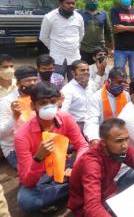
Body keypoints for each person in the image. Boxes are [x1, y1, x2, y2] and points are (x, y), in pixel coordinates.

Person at [14, 82, 89, 212]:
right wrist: (38, 158)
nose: (49, 107)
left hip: (63, 165)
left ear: (58, 102)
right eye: (42, 103)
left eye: (53, 102)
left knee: (91, 162)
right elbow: (27, 181)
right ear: (33, 106)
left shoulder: (65, 118)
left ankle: (65, 186)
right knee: (26, 200)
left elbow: (82, 145)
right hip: (40, 175)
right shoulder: (22, 136)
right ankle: (73, 186)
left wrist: (76, 168)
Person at [39, 0, 84, 81]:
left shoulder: (79, 17)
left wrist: (73, 46)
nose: (71, 5)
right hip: (57, 58)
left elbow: (81, 35)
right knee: (56, 84)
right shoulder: (49, 17)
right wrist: (54, 47)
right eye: (68, 3)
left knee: (75, 84)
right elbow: (43, 37)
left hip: (74, 57)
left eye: (73, 3)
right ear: (60, 4)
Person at [0, 66, 38, 169]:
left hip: (37, 144)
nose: (33, 83)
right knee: (32, 171)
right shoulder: (6, 102)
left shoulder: (38, 97)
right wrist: (15, 117)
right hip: (14, 149)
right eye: (28, 81)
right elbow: (1, 135)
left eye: (35, 80)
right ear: (18, 84)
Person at [84, 67, 130, 144]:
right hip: (103, 138)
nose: (122, 85)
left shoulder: (126, 95)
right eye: (119, 82)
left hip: (123, 136)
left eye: (124, 83)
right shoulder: (97, 97)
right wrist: (94, 139)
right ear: (109, 81)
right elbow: (91, 122)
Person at [61, 60, 105, 129]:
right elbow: (63, 112)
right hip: (77, 125)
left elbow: (96, 85)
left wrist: (100, 73)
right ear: (73, 73)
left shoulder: (91, 83)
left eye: (87, 70)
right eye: (82, 70)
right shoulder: (67, 90)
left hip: (93, 122)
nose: (86, 72)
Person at [79, 0, 114, 65]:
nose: (92, 1)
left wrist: (112, 48)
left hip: (100, 50)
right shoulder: (79, 14)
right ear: (85, 0)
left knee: (101, 71)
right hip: (84, 49)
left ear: (98, 0)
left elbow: (109, 31)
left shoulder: (103, 14)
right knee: (85, 71)